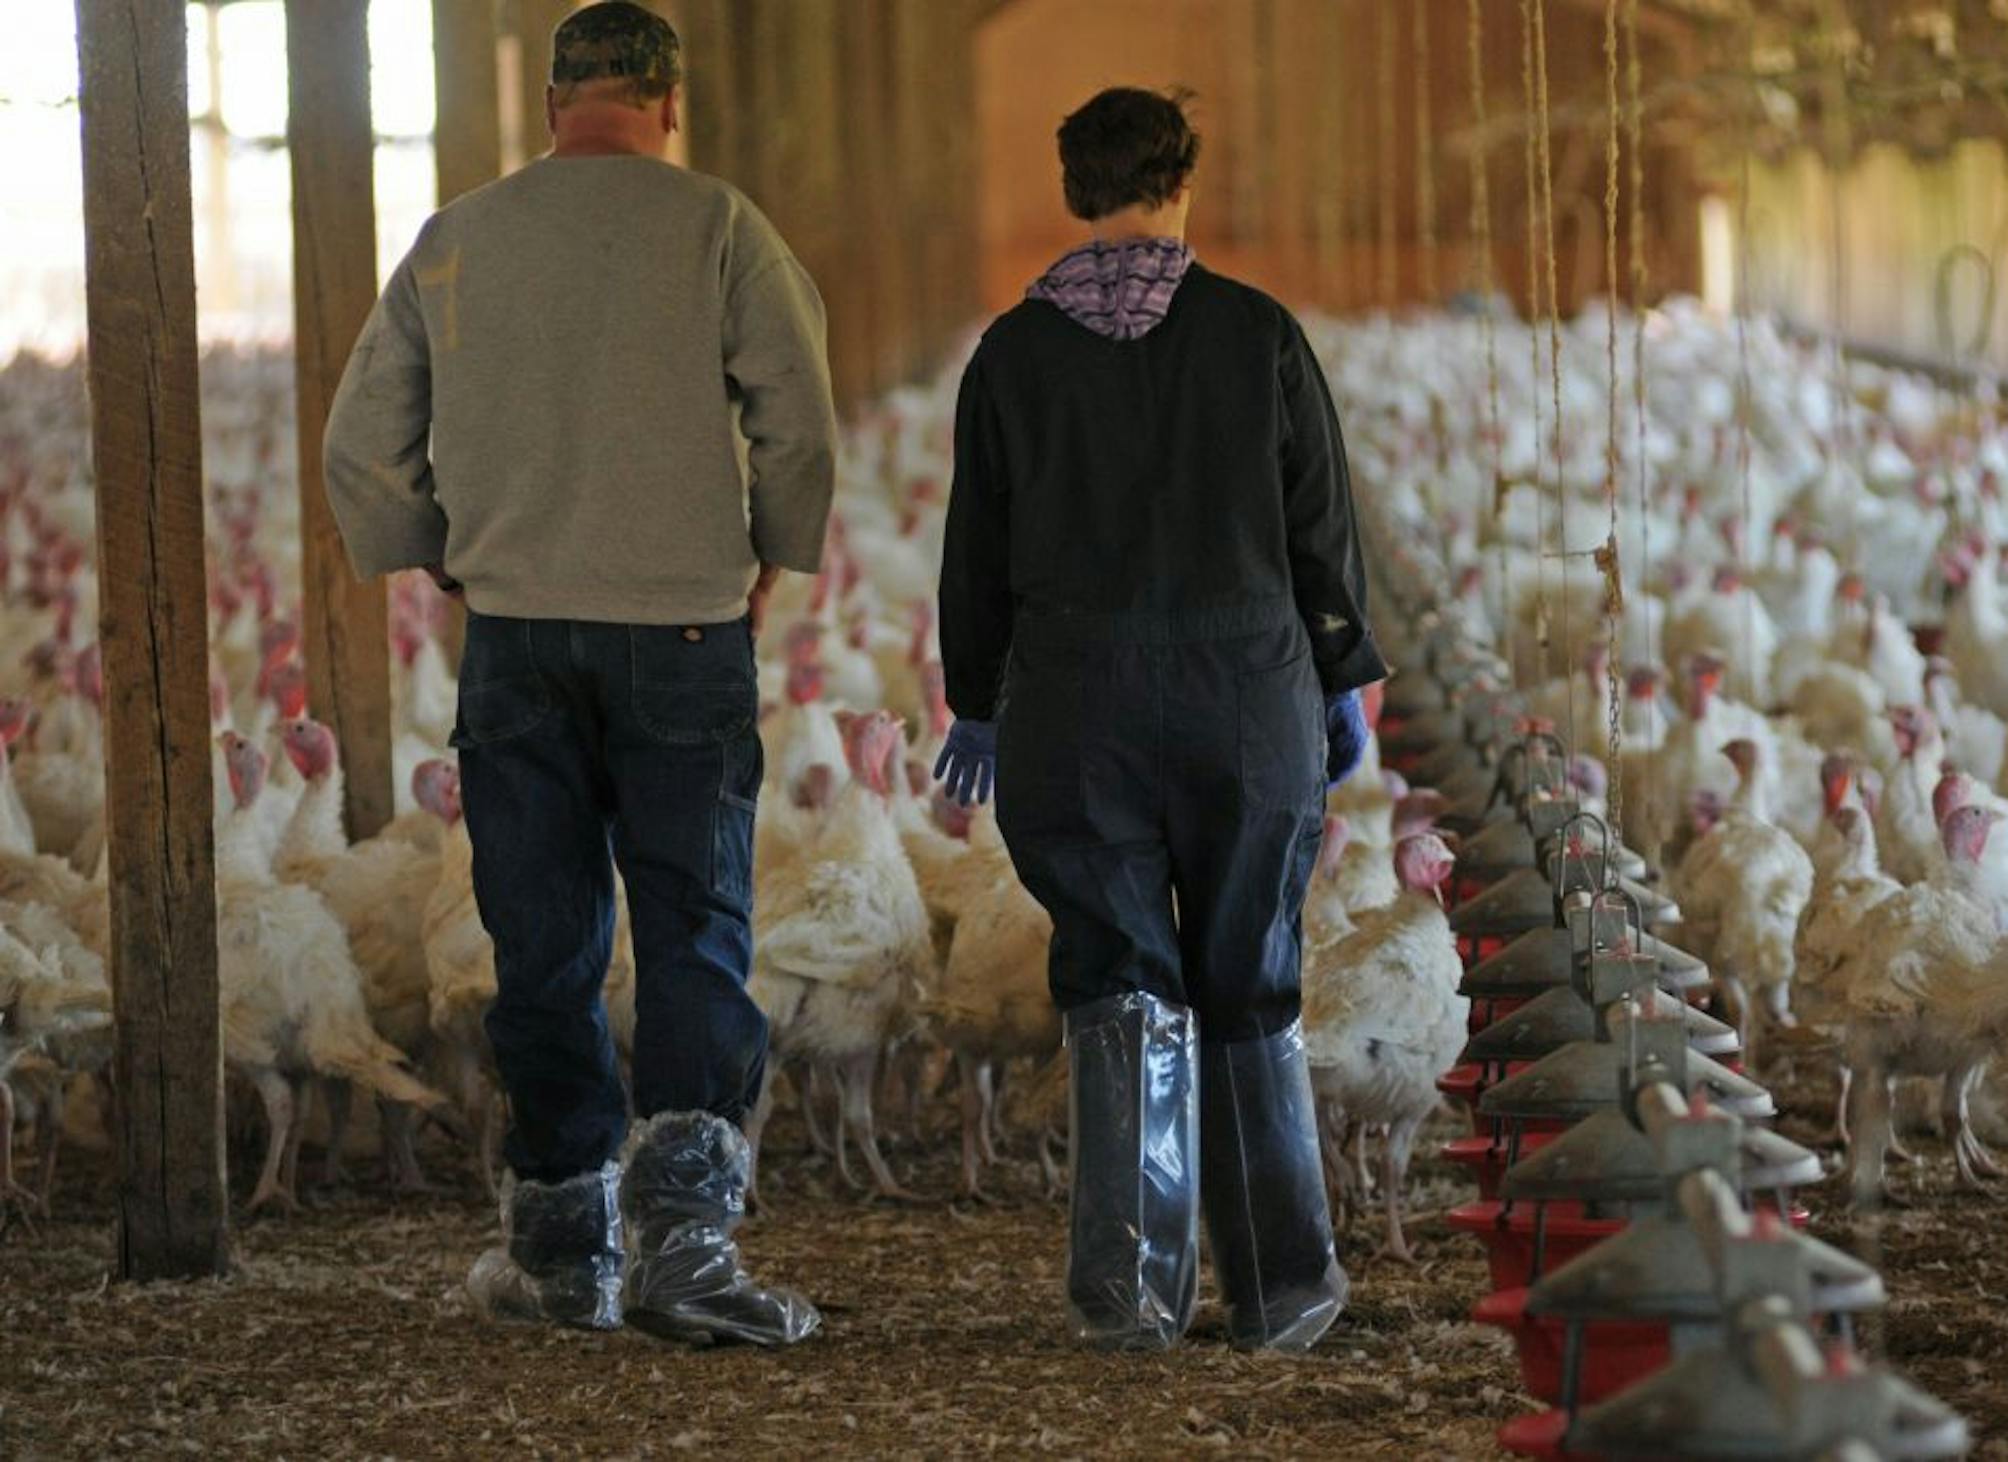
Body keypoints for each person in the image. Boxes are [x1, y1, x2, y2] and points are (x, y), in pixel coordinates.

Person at [323, 2, 825, 1348]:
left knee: (540, 936)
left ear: (552, 105)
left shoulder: (458, 239)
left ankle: (562, 1251)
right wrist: (774, 551)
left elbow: (360, 443)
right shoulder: (720, 225)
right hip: (681, 630)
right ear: (668, 104)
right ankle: (688, 1251)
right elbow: (797, 410)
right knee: (694, 924)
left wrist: (440, 550)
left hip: (521, 631)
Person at [935, 87, 1387, 1352]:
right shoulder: (1256, 335)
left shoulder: (1013, 355)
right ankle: (1281, 1288)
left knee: (1120, 976)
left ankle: (1130, 1288)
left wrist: (976, 697)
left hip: (1077, 709)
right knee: (1248, 972)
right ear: (1185, 183)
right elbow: (1319, 527)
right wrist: (1342, 671)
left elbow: (976, 552)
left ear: (1073, 190)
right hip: (1246, 696)